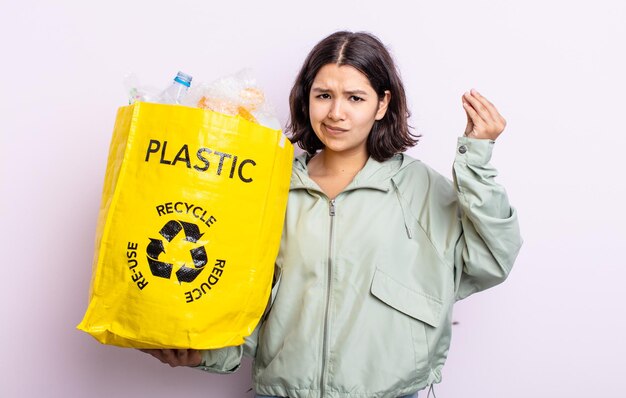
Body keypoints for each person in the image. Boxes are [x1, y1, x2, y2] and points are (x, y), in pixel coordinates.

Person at [142, 31, 522, 398]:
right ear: (307, 99)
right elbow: (242, 292)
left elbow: (490, 258)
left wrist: (477, 160)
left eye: (355, 98)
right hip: (282, 392)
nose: (336, 113)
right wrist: (204, 354)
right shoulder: (272, 184)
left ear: (382, 104)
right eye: (324, 95)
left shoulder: (418, 187)